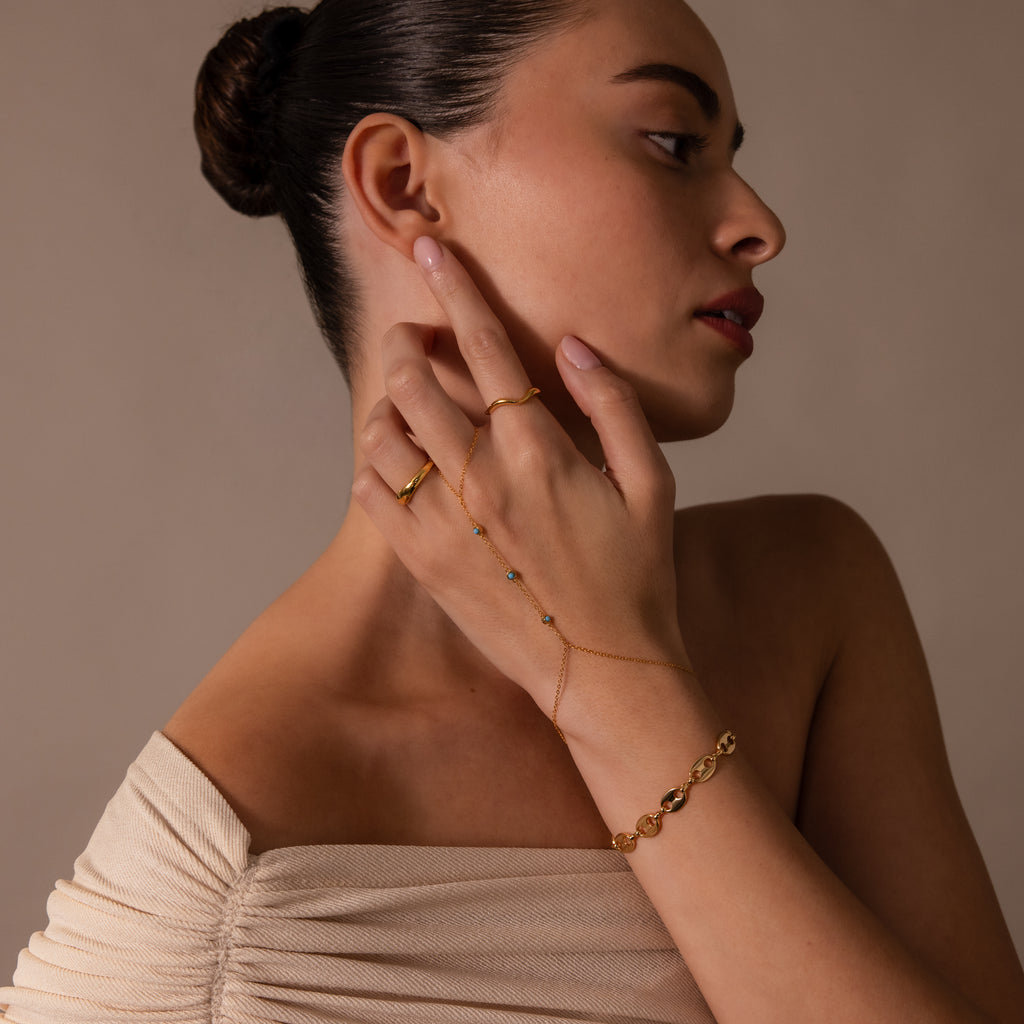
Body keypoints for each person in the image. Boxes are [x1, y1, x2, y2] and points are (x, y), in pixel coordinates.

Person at [3, 0, 1023, 1020]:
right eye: (673, 144)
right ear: (405, 185)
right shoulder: (226, 900)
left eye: (727, 154)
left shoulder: (810, 596)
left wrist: (617, 678)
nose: (759, 222)